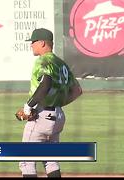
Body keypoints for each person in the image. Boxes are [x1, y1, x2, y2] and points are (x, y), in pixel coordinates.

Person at [18, 28, 83, 178]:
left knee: (27, 161)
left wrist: (28, 106)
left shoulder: (43, 60)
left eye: (33, 42)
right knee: (50, 160)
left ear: (42, 43)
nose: (31, 45)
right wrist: (57, 104)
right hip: (58, 117)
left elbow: (45, 83)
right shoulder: (61, 64)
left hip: (41, 117)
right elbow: (77, 91)